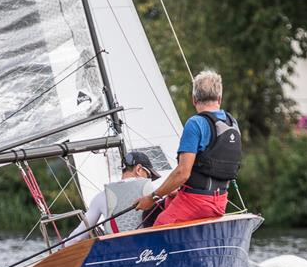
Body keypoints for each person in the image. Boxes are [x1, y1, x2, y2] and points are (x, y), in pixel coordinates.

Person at [134, 70, 242, 225]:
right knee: (168, 202)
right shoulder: (232, 123)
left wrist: (151, 198)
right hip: (220, 202)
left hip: (196, 202)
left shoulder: (195, 123)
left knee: (159, 225)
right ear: (219, 98)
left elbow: (182, 173)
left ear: (194, 99)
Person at [68, 151, 159, 241]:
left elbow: (78, 235)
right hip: (154, 248)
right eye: (149, 175)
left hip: (119, 250)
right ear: (139, 169)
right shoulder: (154, 192)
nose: (149, 179)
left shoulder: (101, 196)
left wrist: (63, 246)